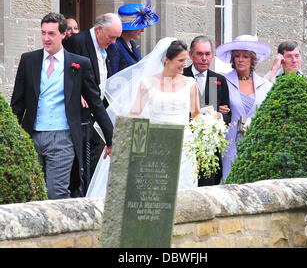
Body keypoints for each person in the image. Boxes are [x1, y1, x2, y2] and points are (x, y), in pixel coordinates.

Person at [10, 12, 113, 199]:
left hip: (63, 138)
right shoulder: (28, 60)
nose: (46, 38)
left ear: (63, 34)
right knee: (31, 194)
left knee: (55, 193)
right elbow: (17, 103)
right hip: (31, 136)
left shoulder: (79, 63)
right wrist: (12, 137)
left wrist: (110, 138)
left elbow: (95, 102)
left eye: (51, 34)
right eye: (43, 33)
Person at [86, 38, 201, 197]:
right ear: (167, 60)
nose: (184, 64)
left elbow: (196, 116)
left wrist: (209, 127)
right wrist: (119, 142)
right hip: (155, 144)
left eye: (185, 60)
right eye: (180, 60)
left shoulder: (190, 84)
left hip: (184, 147)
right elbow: (134, 116)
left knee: (183, 192)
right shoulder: (147, 83)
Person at [64, 13, 122, 193]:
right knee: (79, 162)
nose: (113, 42)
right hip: (80, 114)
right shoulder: (77, 42)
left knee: (92, 159)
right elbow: (66, 74)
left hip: (97, 110)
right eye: (111, 36)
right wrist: (77, 92)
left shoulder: (109, 46)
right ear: (98, 30)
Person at [215, 34, 273, 181]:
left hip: (256, 143)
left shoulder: (266, 86)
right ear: (232, 59)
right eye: (237, 56)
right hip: (230, 143)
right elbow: (210, 110)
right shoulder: (221, 82)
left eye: (245, 56)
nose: (240, 60)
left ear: (253, 59)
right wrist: (218, 111)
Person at [183, 35, 231, 186]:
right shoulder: (182, 75)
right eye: (199, 54)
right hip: (186, 145)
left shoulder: (218, 80)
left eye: (208, 54)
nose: (204, 58)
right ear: (191, 55)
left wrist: (218, 115)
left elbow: (228, 115)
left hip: (210, 148)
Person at [107, 2, 159, 74]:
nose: (143, 30)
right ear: (130, 28)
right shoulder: (115, 46)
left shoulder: (132, 44)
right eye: (139, 27)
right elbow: (112, 75)